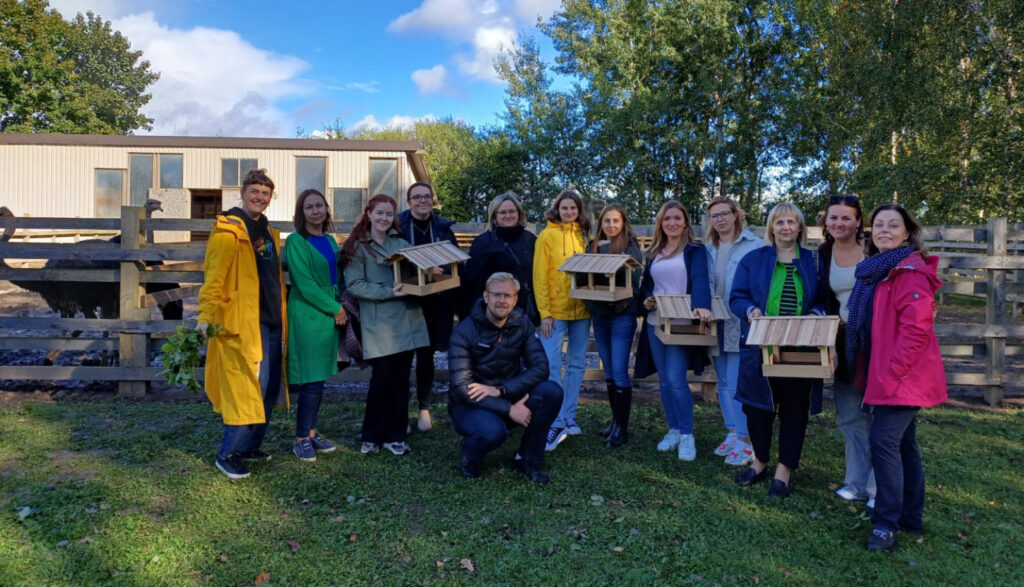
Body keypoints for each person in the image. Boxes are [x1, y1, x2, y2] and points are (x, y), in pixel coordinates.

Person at [847, 204, 947, 552]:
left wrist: (892, 373)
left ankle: (886, 523)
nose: (884, 230)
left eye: (893, 225)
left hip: (905, 378)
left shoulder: (909, 273)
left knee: (884, 442)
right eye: (878, 225)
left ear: (908, 233)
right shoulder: (878, 272)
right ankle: (911, 516)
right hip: (890, 374)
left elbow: (916, 331)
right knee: (904, 445)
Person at [730, 202, 825, 498]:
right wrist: (750, 310)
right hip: (760, 343)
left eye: (792, 222)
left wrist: (816, 314)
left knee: (795, 409)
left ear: (800, 228)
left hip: (801, 346)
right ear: (771, 227)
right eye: (780, 222)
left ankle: (784, 470)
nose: (786, 227)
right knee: (758, 407)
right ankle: (759, 462)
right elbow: (737, 296)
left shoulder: (815, 262)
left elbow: (826, 299)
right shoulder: (753, 259)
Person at [197, 168, 287, 479]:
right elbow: (213, 278)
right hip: (244, 323)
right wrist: (205, 316)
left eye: (265, 193)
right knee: (248, 387)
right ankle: (228, 453)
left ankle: (250, 446)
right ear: (243, 192)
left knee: (269, 386)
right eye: (255, 191)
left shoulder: (267, 232)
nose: (260, 197)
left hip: (272, 319)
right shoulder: (228, 231)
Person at [448, 272, 563, 484]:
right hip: (471, 404)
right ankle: (469, 456)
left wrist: (501, 390)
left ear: (515, 299)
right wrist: (508, 409)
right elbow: (461, 389)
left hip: (508, 394)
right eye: (497, 295)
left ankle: (528, 460)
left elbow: (540, 368)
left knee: (551, 391)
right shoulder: (464, 332)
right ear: (486, 296)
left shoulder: (522, 323)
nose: (502, 300)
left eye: (507, 296)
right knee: (493, 432)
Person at [342, 194, 430, 456]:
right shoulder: (358, 247)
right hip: (379, 326)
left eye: (389, 214)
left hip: (406, 322)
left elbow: (414, 274)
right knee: (381, 380)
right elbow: (356, 286)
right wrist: (390, 291)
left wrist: (428, 276)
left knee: (402, 381)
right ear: (368, 213)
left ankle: (396, 435)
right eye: (379, 213)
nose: (384, 218)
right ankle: (372, 436)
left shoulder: (401, 244)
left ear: (394, 217)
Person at [634, 200, 712, 461]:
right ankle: (674, 429)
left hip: (681, 323)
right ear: (661, 223)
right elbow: (648, 285)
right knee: (665, 381)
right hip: (657, 322)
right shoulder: (654, 251)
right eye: (667, 219)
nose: (672, 223)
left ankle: (688, 434)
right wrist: (646, 300)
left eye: (677, 218)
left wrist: (701, 305)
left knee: (677, 379)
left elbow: (701, 279)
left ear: (685, 222)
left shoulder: (695, 251)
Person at [817, 194, 874, 506]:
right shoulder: (824, 252)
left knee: (880, 417)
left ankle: (880, 488)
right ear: (826, 221)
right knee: (851, 417)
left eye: (846, 218)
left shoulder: (874, 248)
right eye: (833, 217)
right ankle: (856, 482)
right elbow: (826, 299)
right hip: (843, 341)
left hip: (878, 341)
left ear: (858, 221)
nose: (839, 223)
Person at [284, 189, 347, 462]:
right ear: (302, 213)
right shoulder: (296, 242)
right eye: (309, 207)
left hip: (329, 314)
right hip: (310, 313)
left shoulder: (331, 240)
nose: (315, 211)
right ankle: (300, 438)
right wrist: (336, 307)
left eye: (319, 205)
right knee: (311, 381)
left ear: (326, 209)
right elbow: (305, 283)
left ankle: (310, 431)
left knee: (319, 379)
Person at [704, 196, 764, 466]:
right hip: (715, 322)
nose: (720, 219)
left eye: (724, 213)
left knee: (737, 382)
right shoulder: (709, 248)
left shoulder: (755, 246)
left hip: (741, 322)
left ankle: (745, 439)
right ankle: (732, 432)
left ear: (735, 214)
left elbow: (761, 284)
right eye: (714, 215)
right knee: (723, 382)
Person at [397, 181, 458, 433]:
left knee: (426, 356)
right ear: (409, 200)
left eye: (427, 196)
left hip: (436, 302)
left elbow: (456, 260)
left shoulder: (443, 228)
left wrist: (441, 270)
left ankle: (424, 407)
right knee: (401, 358)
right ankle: (399, 412)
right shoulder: (398, 227)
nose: (422, 200)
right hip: (405, 300)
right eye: (417, 197)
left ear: (432, 200)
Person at [534, 189, 592, 451]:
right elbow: (539, 277)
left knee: (577, 364)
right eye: (564, 208)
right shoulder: (546, 236)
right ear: (557, 209)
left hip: (582, 311)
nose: (569, 212)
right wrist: (544, 313)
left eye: (573, 208)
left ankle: (568, 415)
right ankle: (553, 419)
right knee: (552, 365)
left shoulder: (584, 236)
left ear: (579, 211)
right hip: (555, 313)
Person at [587, 204, 643, 447]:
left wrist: (604, 256)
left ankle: (623, 428)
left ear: (623, 223)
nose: (611, 225)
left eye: (615, 221)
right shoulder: (593, 245)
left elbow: (631, 281)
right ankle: (615, 421)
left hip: (622, 314)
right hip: (600, 314)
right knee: (608, 369)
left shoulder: (631, 247)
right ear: (601, 224)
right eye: (606, 221)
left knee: (620, 369)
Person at [462, 192, 539, 326]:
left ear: (519, 213)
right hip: (495, 312)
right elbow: (473, 282)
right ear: (494, 216)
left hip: (525, 312)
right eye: (503, 212)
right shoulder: (483, 243)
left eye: (511, 211)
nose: (508, 215)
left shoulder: (530, 240)